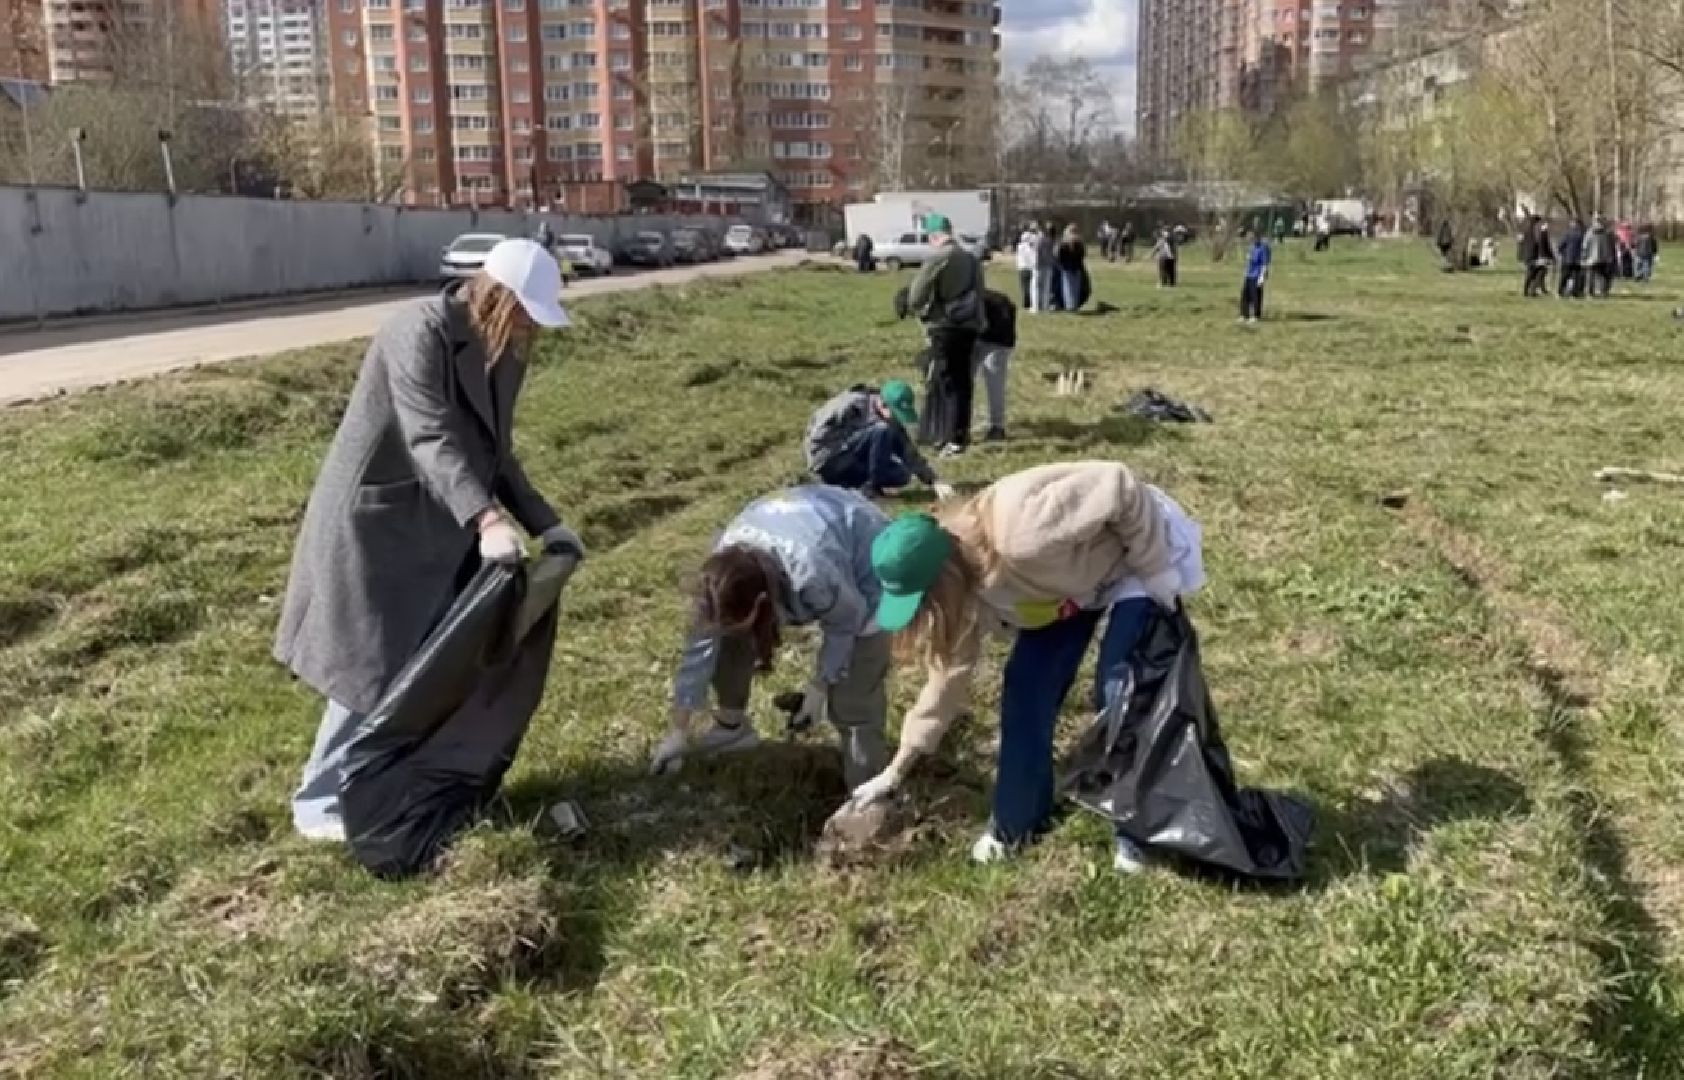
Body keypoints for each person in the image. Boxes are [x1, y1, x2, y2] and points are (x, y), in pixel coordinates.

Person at [275, 239, 583, 842]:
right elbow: (430, 436)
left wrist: (543, 521)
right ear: (496, 297)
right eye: (523, 314)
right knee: (369, 658)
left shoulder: (505, 352)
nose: (528, 330)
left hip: (442, 519)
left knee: (422, 662)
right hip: (375, 522)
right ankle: (318, 799)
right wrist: (488, 521)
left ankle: (385, 776)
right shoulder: (415, 332)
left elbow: (495, 451)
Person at [848, 462, 1200, 873]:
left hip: (1130, 555)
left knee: (1120, 687)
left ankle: (1135, 829)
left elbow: (1121, 485)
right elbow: (945, 682)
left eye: (924, 603)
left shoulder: (1023, 532)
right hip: (1065, 591)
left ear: (942, 579)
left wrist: (1156, 568)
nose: (928, 615)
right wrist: (896, 769)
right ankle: (1017, 823)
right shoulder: (967, 592)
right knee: (1025, 693)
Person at [650, 487, 892, 789]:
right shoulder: (720, 576)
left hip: (867, 552)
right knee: (727, 637)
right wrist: (679, 731)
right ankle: (732, 728)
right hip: (801, 525)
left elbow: (847, 623)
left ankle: (868, 789)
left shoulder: (811, 573)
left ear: (763, 601)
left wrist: (819, 688)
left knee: (853, 698)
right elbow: (698, 650)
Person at [907, 212, 985, 457]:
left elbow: (916, 295)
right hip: (969, 326)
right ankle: (960, 434)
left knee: (944, 382)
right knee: (963, 383)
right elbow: (980, 291)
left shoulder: (938, 257)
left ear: (934, 235)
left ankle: (945, 435)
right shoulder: (971, 258)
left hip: (944, 326)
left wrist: (919, 308)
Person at [805, 380, 954, 500]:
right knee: (881, 430)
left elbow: (908, 452)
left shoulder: (888, 420)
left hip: (853, 456)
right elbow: (816, 436)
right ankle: (871, 488)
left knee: (901, 475)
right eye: (895, 413)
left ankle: (850, 485)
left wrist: (934, 481)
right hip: (829, 458)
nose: (897, 419)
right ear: (882, 404)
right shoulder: (850, 404)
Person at [973, 288, 1015, 442]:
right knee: (990, 381)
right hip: (989, 331)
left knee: (994, 380)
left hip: (998, 335)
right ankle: (992, 424)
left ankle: (997, 426)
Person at [1055, 225, 1087, 313]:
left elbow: (1059, 255)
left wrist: (1061, 264)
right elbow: (1082, 255)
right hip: (1077, 267)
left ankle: (1069, 305)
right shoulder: (1080, 243)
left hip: (1066, 267)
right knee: (1076, 287)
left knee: (1067, 287)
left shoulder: (1063, 243)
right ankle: (1075, 305)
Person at [1240, 232, 1271, 324]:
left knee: (1255, 296)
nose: (1250, 240)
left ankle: (1255, 316)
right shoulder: (1251, 247)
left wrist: (1262, 277)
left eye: (1251, 238)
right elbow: (1249, 261)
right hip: (1248, 275)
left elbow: (1264, 264)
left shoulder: (1262, 249)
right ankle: (1244, 315)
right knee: (1245, 295)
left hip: (1256, 275)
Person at [1520, 216, 1553, 297]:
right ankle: (1530, 291)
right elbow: (1538, 243)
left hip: (1528, 255)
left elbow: (1522, 244)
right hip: (1533, 255)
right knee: (1536, 273)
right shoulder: (1535, 231)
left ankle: (1528, 291)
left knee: (1532, 273)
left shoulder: (1527, 231)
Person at [1585, 215, 1616, 299]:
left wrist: (1584, 256)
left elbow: (1585, 245)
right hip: (1604, 257)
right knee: (1603, 276)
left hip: (1591, 257)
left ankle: (1590, 293)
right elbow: (1611, 245)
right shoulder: (1607, 233)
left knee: (1591, 276)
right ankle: (1603, 292)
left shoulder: (1590, 232)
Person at [1558, 219, 1586, 298]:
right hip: (1577, 259)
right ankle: (1575, 292)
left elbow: (1561, 246)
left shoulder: (1567, 234)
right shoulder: (1581, 234)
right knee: (1576, 276)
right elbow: (1583, 247)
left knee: (1565, 276)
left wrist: (1563, 254)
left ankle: (1561, 291)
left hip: (1568, 258)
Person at [1035, 222, 1057, 313]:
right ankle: (1045, 306)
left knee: (1038, 286)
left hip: (1040, 264)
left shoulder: (1040, 240)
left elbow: (1038, 252)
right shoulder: (1052, 241)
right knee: (1046, 287)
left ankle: (1038, 305)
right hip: (1048, 265)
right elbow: (1054, 254)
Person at [1014, 226, 1038, 311]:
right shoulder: (1030, 248)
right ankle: (1030, 302)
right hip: (1029, 268)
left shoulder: (1019, 247)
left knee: (1024, 287)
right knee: (1030, 287)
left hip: (1022, 268)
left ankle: (1026, 303)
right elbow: (1032, 258)